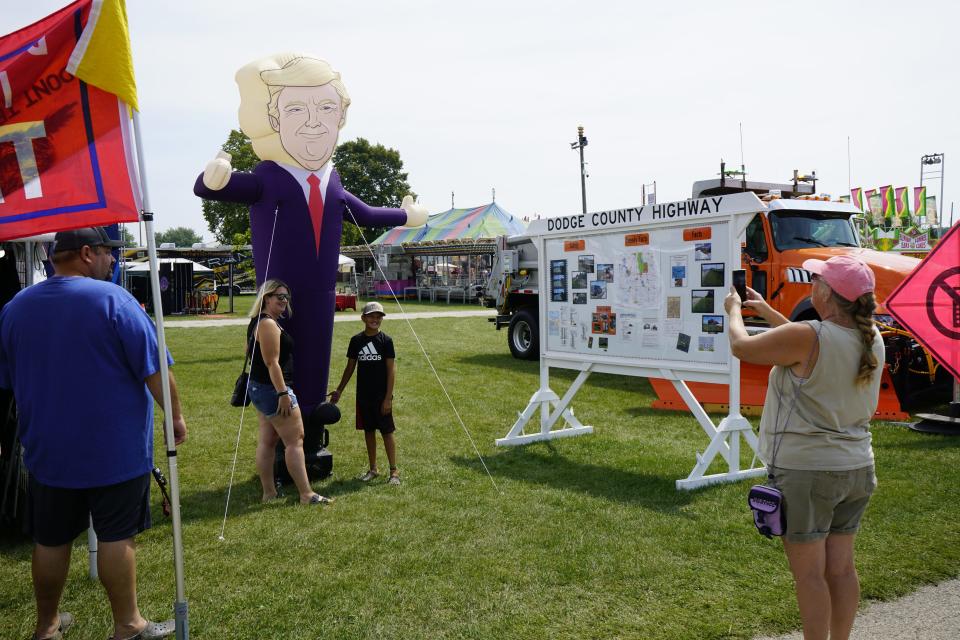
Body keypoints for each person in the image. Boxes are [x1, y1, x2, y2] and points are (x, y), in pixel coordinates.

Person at [194, 54, 427, 416]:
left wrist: (405, 215)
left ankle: (314, 417)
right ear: (274, 118)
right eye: (297, 110)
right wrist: (213, 179)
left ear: (341, 117)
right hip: (279, 293)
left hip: (322, 292)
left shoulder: (333, 181)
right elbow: (213, 188)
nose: (314, 123)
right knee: (281, 351)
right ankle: (281, 419)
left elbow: (363, 213)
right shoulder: (269, 177)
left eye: (326, 108)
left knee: (317, 348)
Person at [0, 227, 186, 640]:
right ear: (86, 253)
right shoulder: (114, 300)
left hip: (47, 450)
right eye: (107, 252)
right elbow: (154, 367)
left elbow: (9, 379)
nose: (112, 261)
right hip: (114, 449)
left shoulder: (15, 308)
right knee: (117, 536)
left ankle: (47, 625)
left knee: (50, 540)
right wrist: (175, 417)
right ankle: (128, 625)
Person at [724, 255, 885, 640]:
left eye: (816, 280)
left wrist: (734, 311)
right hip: (856, 467)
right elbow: (809, 344)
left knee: (809, 576)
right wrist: (766, 310)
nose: (812, 284)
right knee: (842, 569)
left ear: (826, 294)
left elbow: (742, 347)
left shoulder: (810, 336)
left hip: (807, 471)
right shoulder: (870, 336)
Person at [246, 279, 332, 505]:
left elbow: (249, 352)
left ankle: (269, 492)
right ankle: (306, 494)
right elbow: (271, 363)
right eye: (280, 296)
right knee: (295, 440)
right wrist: (283, 394)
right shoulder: (267, 324)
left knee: (267, 441)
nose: (284, 301)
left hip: (260, 388)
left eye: (286, 297)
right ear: (267, 298)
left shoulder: (259, 321)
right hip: (272, 390)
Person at [329, 301, 399, 485]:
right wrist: (339, 390)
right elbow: (350, 367)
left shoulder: (386, 341)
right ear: (363, 318)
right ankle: (373, 468)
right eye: (371, 316)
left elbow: (391, 371)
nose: (375, 319)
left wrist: (388, 398)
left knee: (387, 432)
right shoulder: (356, 341)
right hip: (364, 396)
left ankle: (394, 472)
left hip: (381, 396)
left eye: (378, 317)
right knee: (368, 431)